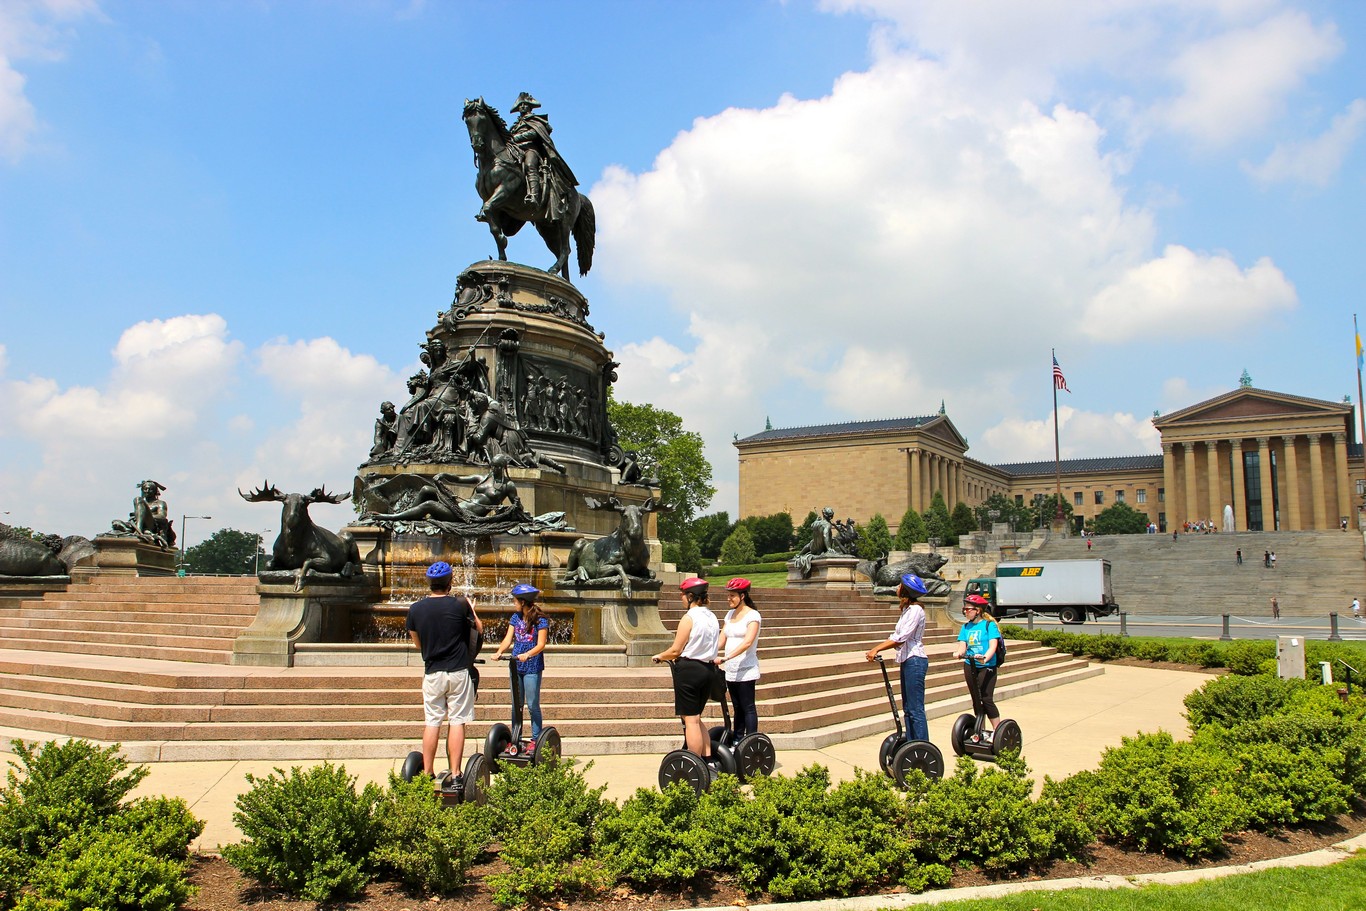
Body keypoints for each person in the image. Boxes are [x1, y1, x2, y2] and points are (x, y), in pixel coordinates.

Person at [406, 561, 483, 782]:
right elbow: (478, 630)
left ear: (429, 583)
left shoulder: (415, 609)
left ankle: (428, 772)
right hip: (458, 671)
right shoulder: (460, 605)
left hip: (432, 672)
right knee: (457, 720)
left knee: (432, 721)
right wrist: (472, 610)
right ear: (450, 582)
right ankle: (457, 773)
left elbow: (418, 644)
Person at [652, 577, 720, 762]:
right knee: (696, 719)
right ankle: (708, 760)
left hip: (690, 671)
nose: (681, 598)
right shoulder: (712, 616)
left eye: (682, 594)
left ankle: (695, 763)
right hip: (708, 670)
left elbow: (676, 650)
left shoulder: (689, 618)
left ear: (691, 596)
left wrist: (659, 656)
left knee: (690, 721)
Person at [864, 573, 931, 743]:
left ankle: (922, 747)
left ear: (905, 590)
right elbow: (896, 635)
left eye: (899, 585)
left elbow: (901, 638)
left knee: (915, 709)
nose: (897, 588)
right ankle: (911, 743)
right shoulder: (907, 610)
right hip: (907, 660)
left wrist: (876, 649)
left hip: (915, 660)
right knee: (908, 708)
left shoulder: (915, 610)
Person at [492, 582, 550, 742]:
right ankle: (516, 737)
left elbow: (541, 644)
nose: (514, 603)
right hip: (516, 664)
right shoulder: (515, 617)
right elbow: (508, 639)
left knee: (532, 705)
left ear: (523, 602)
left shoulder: (540, 619)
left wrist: (528, 654)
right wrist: (499, 652)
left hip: (532, 666)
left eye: (515, 600)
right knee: (516, 705)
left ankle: (536, 740)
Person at [717, 578, 763, 742]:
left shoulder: (753, 616)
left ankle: (751, 741)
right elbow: (722, 639)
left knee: (748, 707)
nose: (728, 599)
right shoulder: (729, 615)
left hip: (746, 669)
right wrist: (709, 653)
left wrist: (726, 657)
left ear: (742, 596)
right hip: (731, 669)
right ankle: (737, 740)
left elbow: (748, 642)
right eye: (728, 595)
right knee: (737, 707)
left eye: (732, 596)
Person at [952, 593, 1002, 741]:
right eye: (964, 610)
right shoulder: (966, 627)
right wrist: (959, 653)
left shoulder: (989, 625)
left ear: (978, 610)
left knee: (986, 698)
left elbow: (993, 645)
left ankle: (997, 731)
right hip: (970, 665)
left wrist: (985, 657)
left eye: (968, 609)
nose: (965, 612)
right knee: (976, 699)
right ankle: (980, 730)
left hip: (987, 666)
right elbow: (963, 646)